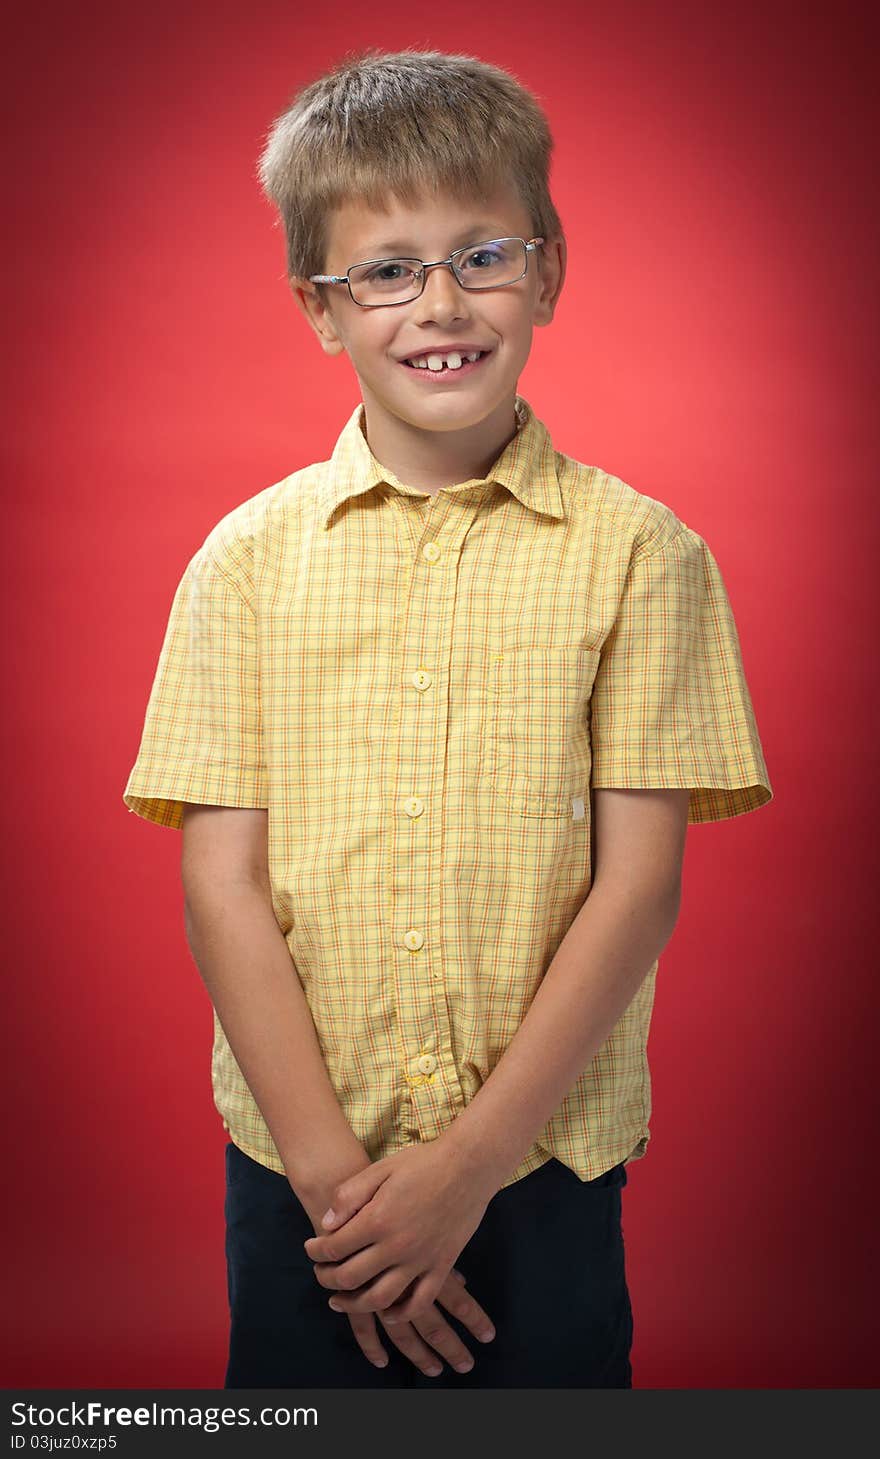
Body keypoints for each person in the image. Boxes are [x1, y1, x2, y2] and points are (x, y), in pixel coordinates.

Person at [122, 46, 773, 1390]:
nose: (440, 303)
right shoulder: (241, 562)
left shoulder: (645, 557)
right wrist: (340, 1190)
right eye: (386, 269)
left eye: (481, 255)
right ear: (322, 307)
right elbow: (223, 884)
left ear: (547, 270)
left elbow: (639, 886)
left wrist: (467, 1171)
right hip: (309, 1180)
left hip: (541, 1173)